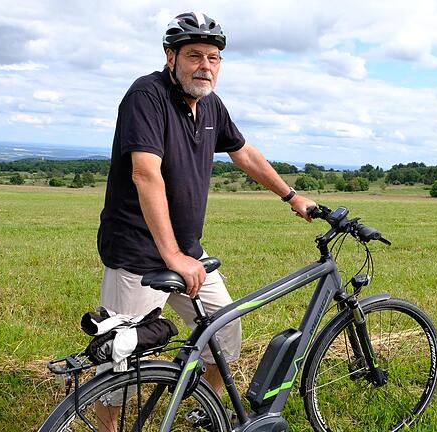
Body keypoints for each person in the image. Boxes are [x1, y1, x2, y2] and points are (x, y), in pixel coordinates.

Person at [94, 11, 316, 431]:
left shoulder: (210, 103)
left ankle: (204, 410)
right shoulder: (146, 95)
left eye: (214, 57)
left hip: (188, 252)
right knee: (121, 365)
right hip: (139, 254)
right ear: (170, 56)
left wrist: (291, 196)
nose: (205, 65)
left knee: (224, 334)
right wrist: (172, 254)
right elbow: (145, 173)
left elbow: (243, 152)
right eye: (194, 55)